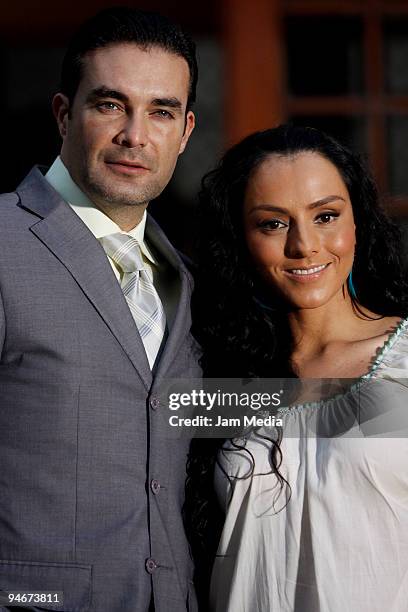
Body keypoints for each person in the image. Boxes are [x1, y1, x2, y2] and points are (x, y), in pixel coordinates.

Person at [0, 8, 201, 612]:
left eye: (161, 111)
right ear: (65, 113)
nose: (135, 135)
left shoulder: (184, 276)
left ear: (185, 131)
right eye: (111, 105)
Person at [189, 125, 408, 611]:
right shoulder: (216, 372)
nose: (304, 245)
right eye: (273, 223)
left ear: (359, 222)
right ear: (240, 239)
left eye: (326, 215)